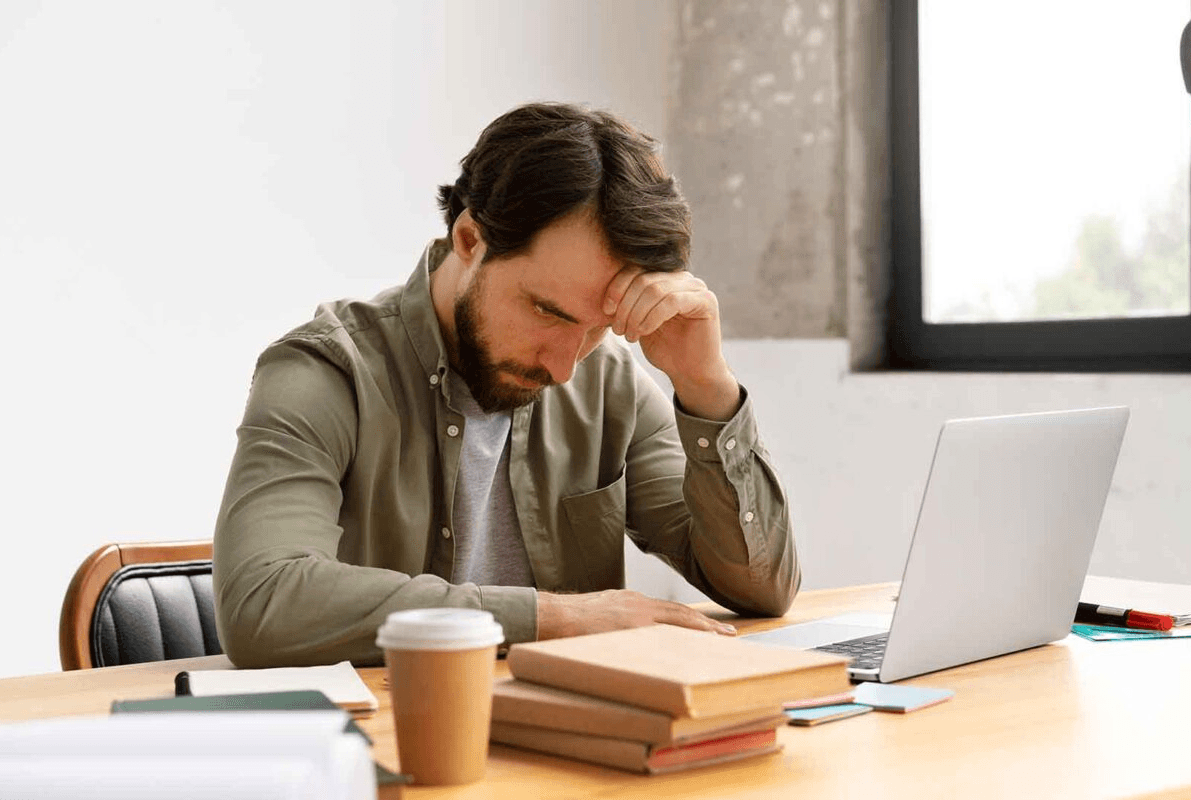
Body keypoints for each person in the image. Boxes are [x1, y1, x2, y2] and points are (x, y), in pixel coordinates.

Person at [213, 102, 799, 667]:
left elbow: (761, 588)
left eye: (598, 329)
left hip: (566, 747)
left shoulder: (608, 383)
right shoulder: (325, 373)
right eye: (548, 311)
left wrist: (705, 385)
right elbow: (263, 602)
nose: (567, 367)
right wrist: (555, 619)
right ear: (470, 240)